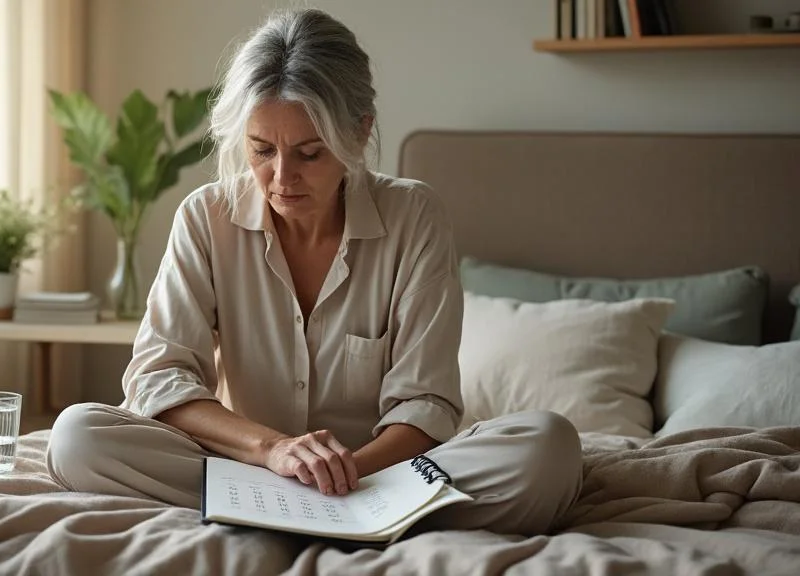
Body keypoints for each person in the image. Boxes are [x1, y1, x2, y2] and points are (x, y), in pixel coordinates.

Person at [46, 7, 582, 537]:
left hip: (378, 476)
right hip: (248, 464)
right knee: (77, 436)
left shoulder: (415, 216)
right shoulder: (205, 217)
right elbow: (159, 378)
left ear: (360, 132)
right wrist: (272, 451)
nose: (282, 178)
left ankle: (288, 510)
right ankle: (300, 507)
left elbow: (426, 404)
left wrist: (341, 478)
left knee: (547, 448)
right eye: (261, 150)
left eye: (309, 153)